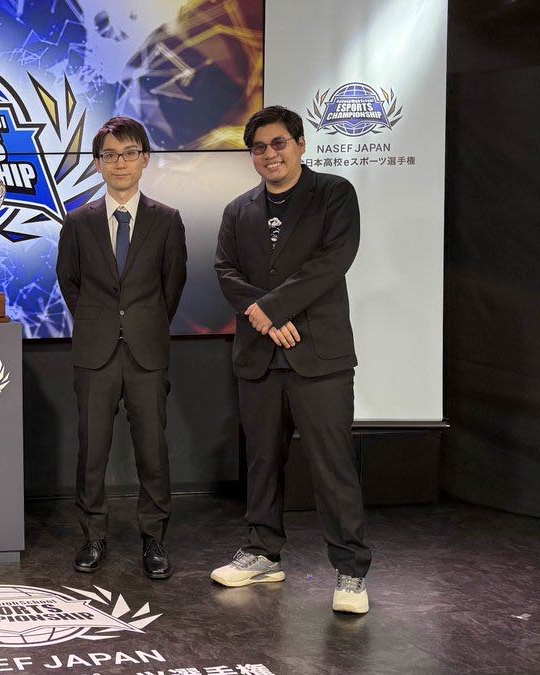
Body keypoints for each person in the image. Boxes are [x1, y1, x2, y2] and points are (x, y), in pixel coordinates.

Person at [211, 105, 371, 614]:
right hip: (259, 356)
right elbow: (226, 270)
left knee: (333, 464)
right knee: (262, 461)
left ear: (300, 145)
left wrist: (271, 309)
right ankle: (262, 552)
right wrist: (265, 317)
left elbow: (333, 261)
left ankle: (350, 570)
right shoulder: (238, 210)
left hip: (318, 355)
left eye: (278, 143)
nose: (269, 154)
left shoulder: (334, 194)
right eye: (259, 148)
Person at [56, 116, 187, 579]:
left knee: (153, 449)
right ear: (97, 164)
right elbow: (70, 282)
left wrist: (143, 324)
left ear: (144, 159)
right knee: (92, 450)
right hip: (95, 353)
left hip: (147, 351)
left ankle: (154, 538)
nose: (120, 163)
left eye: (129, 153)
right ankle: (93, 535)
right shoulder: (78, 222)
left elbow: (172, 284)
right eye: (109, 155)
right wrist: (100, 322)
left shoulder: (167, 220)